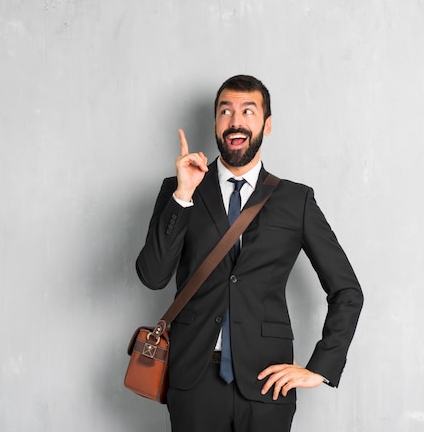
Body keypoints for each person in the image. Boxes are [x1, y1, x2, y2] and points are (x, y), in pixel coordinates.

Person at [135, 74, 363, 432]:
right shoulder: (178, 189)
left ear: (267, 125)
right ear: (215, 124)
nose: (235, 121)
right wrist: (182, 197)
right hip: (193, 382)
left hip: (267, 384)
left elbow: (348, 291)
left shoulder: (295, 200)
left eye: (248, 111)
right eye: (225, 111)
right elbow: (152, 276)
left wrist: (321, 366)